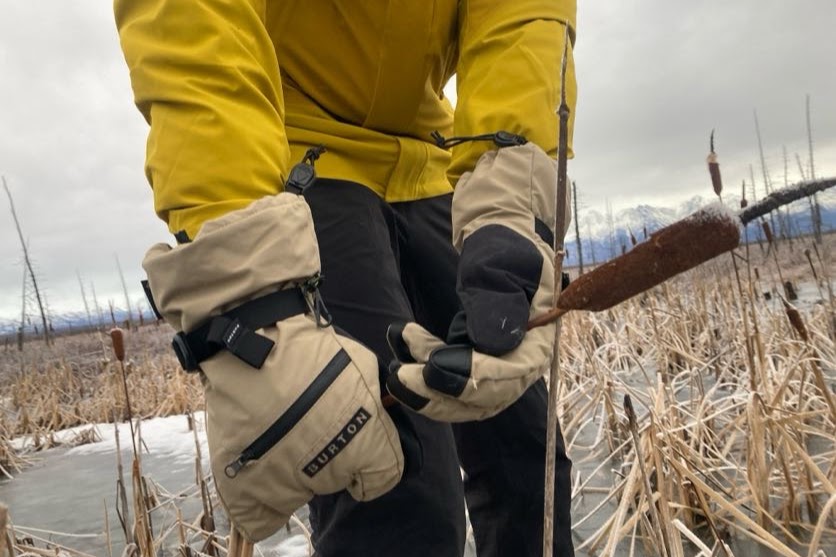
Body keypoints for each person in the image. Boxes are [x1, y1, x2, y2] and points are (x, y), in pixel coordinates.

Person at [115, 2, 577, 556]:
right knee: (392, 478)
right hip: (299, 156)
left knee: (527, 452)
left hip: (432, 154)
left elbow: (518, 16)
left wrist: (510, 201)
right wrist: (242, 286)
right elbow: (194, 22)